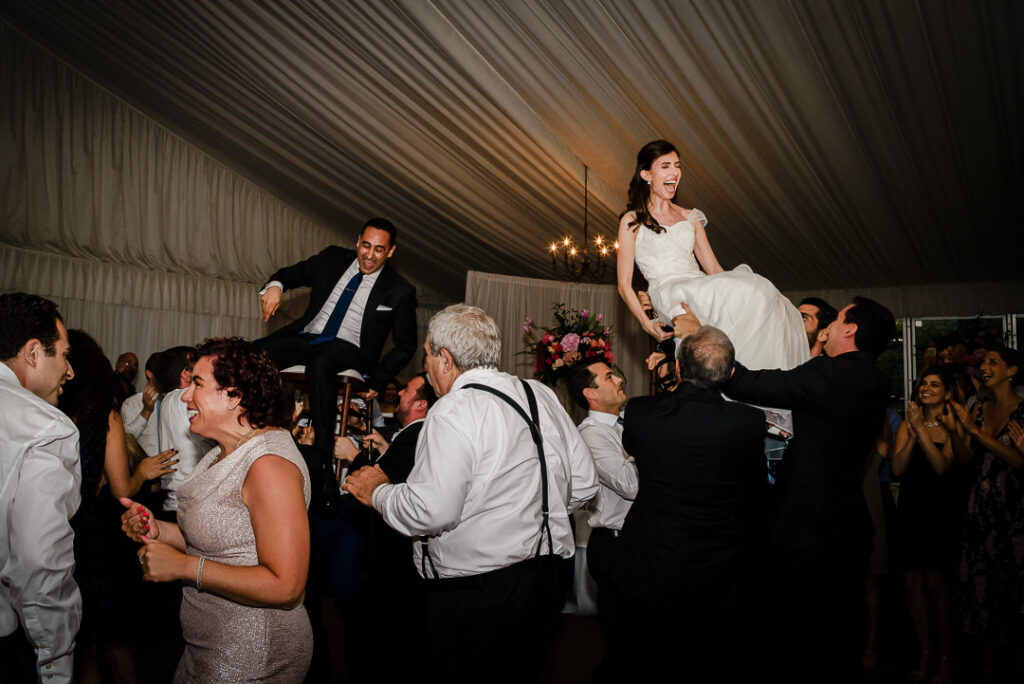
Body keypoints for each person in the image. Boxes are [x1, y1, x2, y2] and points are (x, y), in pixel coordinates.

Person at [343, 304, 598, 681]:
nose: (427, 365)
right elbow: (586, 483)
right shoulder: (539, 395)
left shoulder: (451, 410)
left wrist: (378, 492)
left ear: (445, 359)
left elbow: (431, 512)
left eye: (428, 354)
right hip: (547, 582)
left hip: (480, 593)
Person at [723, 295, 896, 684]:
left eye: (839, 321)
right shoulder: (876, 379)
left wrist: (713, 355)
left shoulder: (831, 372)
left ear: (850, 330)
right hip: (847, 523)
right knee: (839, 629)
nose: (831, 326)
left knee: (796, 630)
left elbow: (755, 384)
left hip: (806, 527)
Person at [120, 337, 312, 683]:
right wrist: (158, 531)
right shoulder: (221, 451)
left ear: (235, 396)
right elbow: (223, 537)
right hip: (211, 644)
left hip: (253, 652)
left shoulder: (268, 464)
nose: (187, 396)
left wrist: (182, 567)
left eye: (196, 384)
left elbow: (287, 585)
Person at [590, 326, 768, 680]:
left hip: (653, 561)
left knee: (646, 659)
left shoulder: (641, 413)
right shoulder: (748, 421)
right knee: (708, 658)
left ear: (679, 367)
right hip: (719, 565)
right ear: (731, 373)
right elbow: (754, 491)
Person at [617, 139, 808, 371]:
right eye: (665, 166)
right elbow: (624, 284)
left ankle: (758, 374)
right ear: (646, 174)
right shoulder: (632, 221)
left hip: (699, 284)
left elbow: (714, 270)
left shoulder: (691, 218)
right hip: (666, 288)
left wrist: (737, 287)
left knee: (758, 289)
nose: (675, 172)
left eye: (677, 166)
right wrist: (646, 323)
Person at [58, 330, 176, 683]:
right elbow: (121, 487)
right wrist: (141, 471)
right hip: (93, 534)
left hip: (57, 531)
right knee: (111, 631)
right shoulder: (105, 416)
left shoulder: (54, 413)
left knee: (80, 639)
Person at [256, 218, 418, 462]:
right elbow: (291, 274)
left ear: (391, 251)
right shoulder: (332, 259)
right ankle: (256, 430)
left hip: (352, 350)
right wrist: (276, 286)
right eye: (366, 246)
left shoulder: (399, 289)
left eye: (379, 249)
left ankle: (322, 455)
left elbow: (406, 344)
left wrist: (381, 376)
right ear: (357, 241)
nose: (370, 255)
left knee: (321, 361)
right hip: (308, 338)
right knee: (251, 354)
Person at [0, 292, 80, 684]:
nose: (70, 372)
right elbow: (39, 564)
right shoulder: (45, 428)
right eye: (64, 355)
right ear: (34, 353)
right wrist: (56, 663)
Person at [950, 347, 1024, 683]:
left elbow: (1020, 461)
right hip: (981, 514)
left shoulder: (1022, 412)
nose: (984, 367)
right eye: (983, 362)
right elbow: (966, 459)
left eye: (993, 362)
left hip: (1016, 516)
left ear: (1012, 371)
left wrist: (977, 433)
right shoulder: (978, 409)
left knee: (1014, 596)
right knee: (982, 599)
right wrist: (958, 430)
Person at [890, 367, 963, 683]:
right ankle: (925, 652)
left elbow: (941, 465)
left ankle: (947, 656)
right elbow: (897, 467)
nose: (926, 388)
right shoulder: (907, 424)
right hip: (911, 509)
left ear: (948, 393)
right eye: (923, 384)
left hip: (941, 512)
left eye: (934, 384)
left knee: (937, 586)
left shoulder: (953, 424)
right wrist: (914, 432)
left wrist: (924, 431)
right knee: (913, 584)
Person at [565, 361, 636, 639]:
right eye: (609, 377)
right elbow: (630, 485)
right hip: (615, 545)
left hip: (637, 540)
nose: (619, 380)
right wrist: (656, 451)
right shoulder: (592, 435)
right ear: (590, 393)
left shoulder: (629, 422)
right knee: (623, 635)